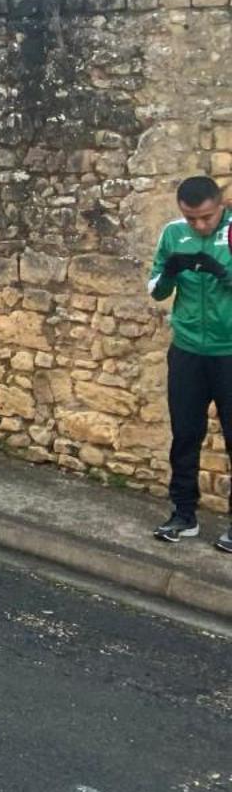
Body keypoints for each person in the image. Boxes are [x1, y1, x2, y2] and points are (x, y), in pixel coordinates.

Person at [148, 175, 232, 549]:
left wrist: (221, 271)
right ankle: (184, 514)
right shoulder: (172, 233)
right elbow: (156, 290)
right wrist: (169, 272)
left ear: (220, 206)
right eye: (191, 218)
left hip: (228, 351)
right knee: (185, 434)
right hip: (186, 350)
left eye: (207, 217)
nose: (199, 225)